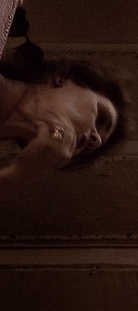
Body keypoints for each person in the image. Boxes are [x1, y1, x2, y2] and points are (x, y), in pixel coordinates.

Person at [0, 11, 125, 188]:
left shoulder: (54, 133)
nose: (96, 140)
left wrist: (17, 176)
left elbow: (54, 132)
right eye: (101, 118)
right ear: (63, 76)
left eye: (87, 150)